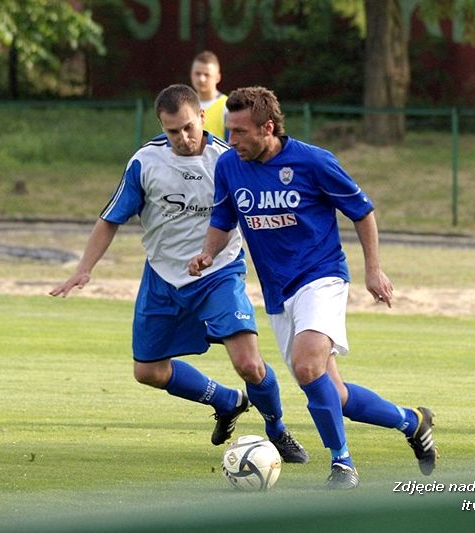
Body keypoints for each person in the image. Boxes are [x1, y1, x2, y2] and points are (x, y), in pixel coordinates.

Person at [189, 86, 437, 489]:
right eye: (228, 131)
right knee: (333, 394)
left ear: (267, 127)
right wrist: (207, 254)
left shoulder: (313, 162)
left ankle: (342, 464)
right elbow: (223, 218)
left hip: (321, 277)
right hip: (277, 292)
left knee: (306, 365)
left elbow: (363, 211)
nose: (231, 141)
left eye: (239, 132)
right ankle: (412, 421)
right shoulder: (230, 167)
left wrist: (374, 270)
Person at [50, 84, 307, 464]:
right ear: (161, 126)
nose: (183, 138)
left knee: (250, 364)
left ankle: (277, 430)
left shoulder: (229, 159)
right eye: (173, 131)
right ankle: (226, 401)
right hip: (163, 278)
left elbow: (265, 210)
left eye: (188, 127)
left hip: (219, 273)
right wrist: (83, 270)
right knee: (148, 371)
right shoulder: (145, 163)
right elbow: (110, 220)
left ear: (202, 117)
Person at [190, 51, 228, 140]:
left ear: (218, 78)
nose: (201, 79)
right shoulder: (184, 105)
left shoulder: (227, 106)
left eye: (207, 75)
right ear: (191, 75)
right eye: (197, 74)